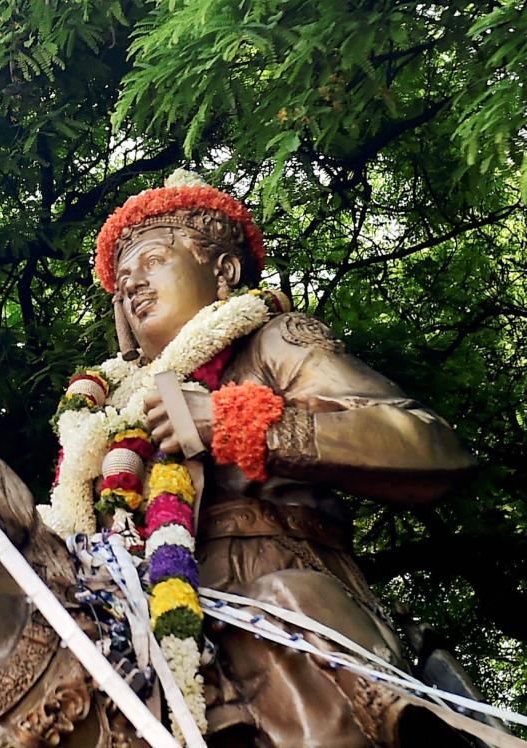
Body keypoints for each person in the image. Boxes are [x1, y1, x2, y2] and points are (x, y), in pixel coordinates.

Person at [38, 170, 478, 746]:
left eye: (152, 262)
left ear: (222, 272)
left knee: (284, 612)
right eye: (123, 281)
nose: (134, 286)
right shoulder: (104, 414)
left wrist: (240, 424)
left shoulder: (274, 339)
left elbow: (429, 446)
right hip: (137, 624)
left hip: (277, 592)